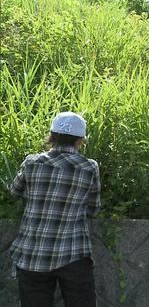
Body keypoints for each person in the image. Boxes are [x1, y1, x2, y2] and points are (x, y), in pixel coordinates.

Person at [8, 111, 101, 307]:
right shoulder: (89, 167)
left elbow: (15, 190)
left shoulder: (32, 162)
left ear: (52, 135)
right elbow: (93, 209)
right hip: (74, 253)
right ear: (80, 140)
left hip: (33, 254)